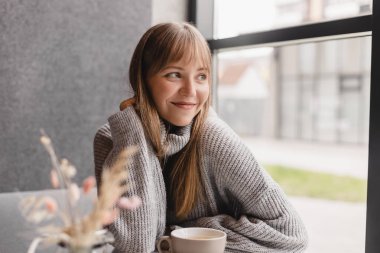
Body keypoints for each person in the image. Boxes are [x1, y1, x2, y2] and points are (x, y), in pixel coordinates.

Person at [93, 22, 308, 253]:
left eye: (201, 76)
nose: (191, 91)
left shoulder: (214, 138)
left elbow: (292, 234)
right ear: (143, 80)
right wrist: (133, 137)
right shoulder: (112, 140)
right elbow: (131, 248)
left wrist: (179, 236)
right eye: (174, 74)